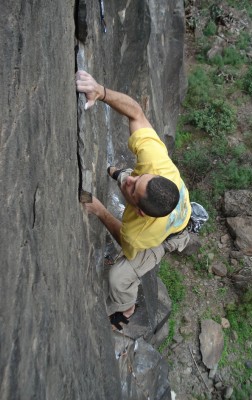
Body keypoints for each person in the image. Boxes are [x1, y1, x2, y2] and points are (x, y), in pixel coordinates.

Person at [76, 70, 192, 330]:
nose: (129, 182)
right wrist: (101, 91)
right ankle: (129, 179)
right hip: (167, 205)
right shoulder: (157, 164)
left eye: (131, 189)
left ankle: (126, 307)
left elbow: (124, 239)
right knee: (129, 177)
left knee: (118, 276)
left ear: (139, 212)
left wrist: (101, 211)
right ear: (153, 174)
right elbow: (136, 113)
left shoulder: (140, 232)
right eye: (139, 178)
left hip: (168, 236)